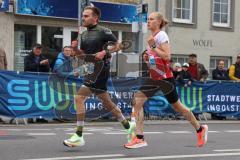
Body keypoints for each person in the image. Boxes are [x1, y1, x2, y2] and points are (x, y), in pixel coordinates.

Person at [124, 12, 208, 149]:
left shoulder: (161, 35)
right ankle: (139, 138)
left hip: (164, 78)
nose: (148, 21)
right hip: (154, 77)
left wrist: (152, 48)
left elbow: (167, 56)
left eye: (151, 19)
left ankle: (200, 128)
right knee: (137, 101)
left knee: (178, 107)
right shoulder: (152, 38)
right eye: (148, 19)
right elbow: (156, 59)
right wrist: (148, 59)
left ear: (159, 22)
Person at [63, 6, 135, 147]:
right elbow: (82, 55)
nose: (83, 18)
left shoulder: (103, 31)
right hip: (90, 69)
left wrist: (105, 53)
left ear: (95, 18)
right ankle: (127, 126)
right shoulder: (83, 34)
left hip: (101, 69)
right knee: (107, 102)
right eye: (83, 16)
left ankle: (78, 135)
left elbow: (120, 46)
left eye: (86, 16)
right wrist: (75, 49)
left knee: (79, 98)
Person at [24, 44, 50, 123]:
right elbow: (28, 67)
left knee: (41, 98)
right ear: (33, 49)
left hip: (41, 81)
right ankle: (30, 117)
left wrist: (46, 65)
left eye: (40, 49)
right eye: (37, 49)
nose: (38, 50)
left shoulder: (43, 57)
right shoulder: (28, 57)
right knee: (31, 98)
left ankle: (40, 116)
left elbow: (47, 70)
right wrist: (40, 64)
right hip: (31, 80)